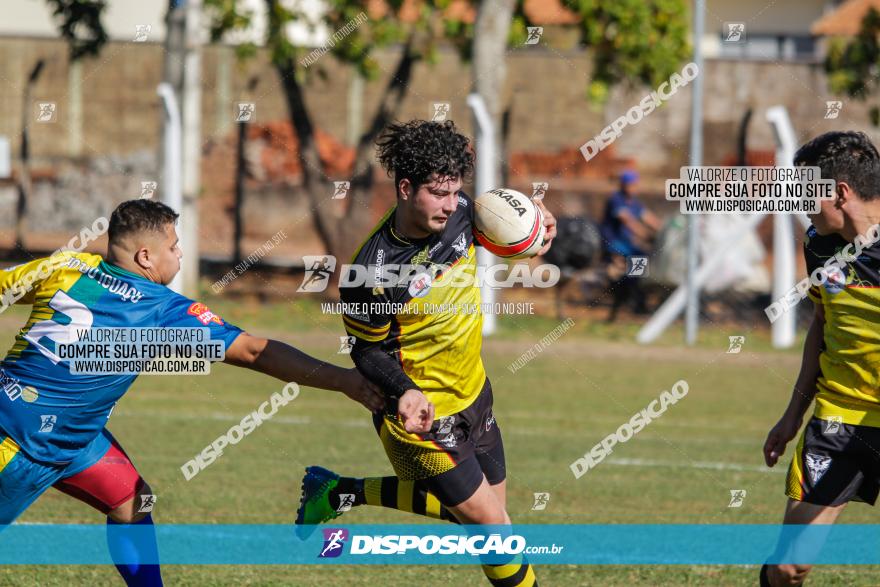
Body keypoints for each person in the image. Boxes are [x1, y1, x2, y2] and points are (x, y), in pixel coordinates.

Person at [0, 199, 382, 586]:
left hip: (74, 436)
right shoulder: (161, 310)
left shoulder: (66, 268)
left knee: (131, 503)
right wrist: (343, 380)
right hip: (20, 444)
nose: (180, 252)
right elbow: (253, 351)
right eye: (173, 245)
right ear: (146, 256)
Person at [296, 119, 556, 587]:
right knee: (494, 531)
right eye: (438, 193)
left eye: (456, 191)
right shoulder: (372, 270)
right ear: (404, 188)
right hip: (422, 417)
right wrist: (406, 391)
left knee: (490, 519)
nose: (450, 204)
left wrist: (536, 227)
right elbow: (365, 352)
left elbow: (507, 229)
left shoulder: (461, 214)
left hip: (474, 393)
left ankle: (339, 492)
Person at [761, 131, 880, 586]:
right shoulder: (819, 244)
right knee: (790, 568)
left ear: (840, 193)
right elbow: (821, 325)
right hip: (838, 417)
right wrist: (793, 415)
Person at [599, 170, 661, 321]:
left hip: (627, 244)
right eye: (630, 185)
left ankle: (632, 294)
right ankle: (626, 295)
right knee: (625, 269)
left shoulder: (634, 202)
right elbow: (628, 221)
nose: (632, 188)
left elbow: (649, 218)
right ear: (623, 185)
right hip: (613, 243)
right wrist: (645, 235)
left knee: (640, 261)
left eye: (634, 185)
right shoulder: (616, 200)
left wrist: (664, 230)